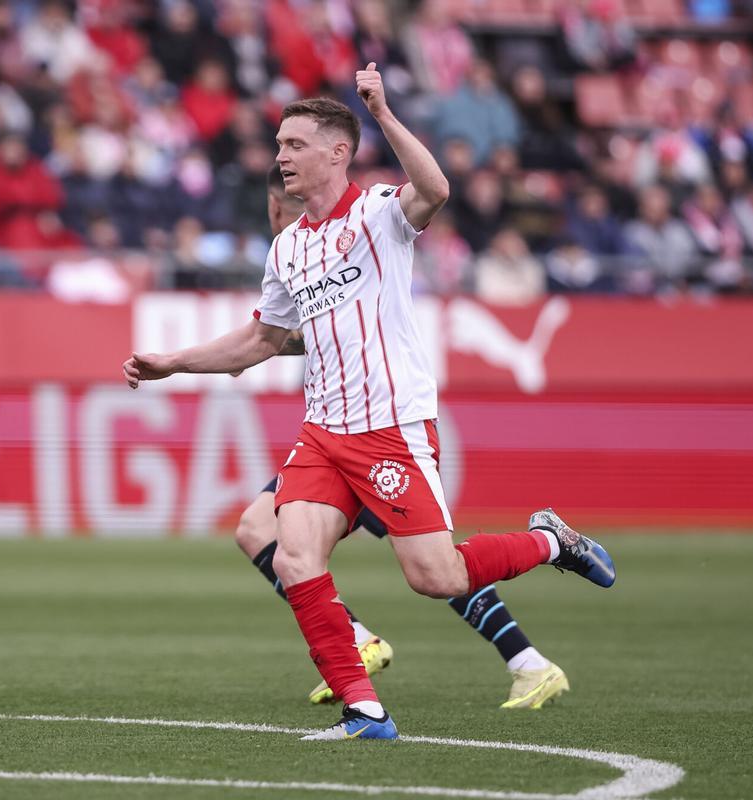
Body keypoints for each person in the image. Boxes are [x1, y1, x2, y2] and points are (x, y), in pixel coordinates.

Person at [122, 65, 615, 741]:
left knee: (436, 576)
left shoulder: (380, 214)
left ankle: (550, 540)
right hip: (323, 433)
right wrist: (172, 364)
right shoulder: (288, 249)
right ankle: (365, 710)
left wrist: (382, 111)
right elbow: (262, 339)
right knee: (291, 555)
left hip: (391, 426)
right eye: (279, 146)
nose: (281, 157)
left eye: (294, 144)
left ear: (337, 152)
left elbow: (436, 189)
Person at [235, 164, 571, 711]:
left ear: (286, 205)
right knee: (260, 529)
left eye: (277, 205)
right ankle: (369, 641)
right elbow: (296, 335)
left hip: (378, 423)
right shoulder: (296, 254)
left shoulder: (349, 242)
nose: (275, 215)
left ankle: (525, 658)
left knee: (431, 565)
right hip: (333, 429)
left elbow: (326, 327)